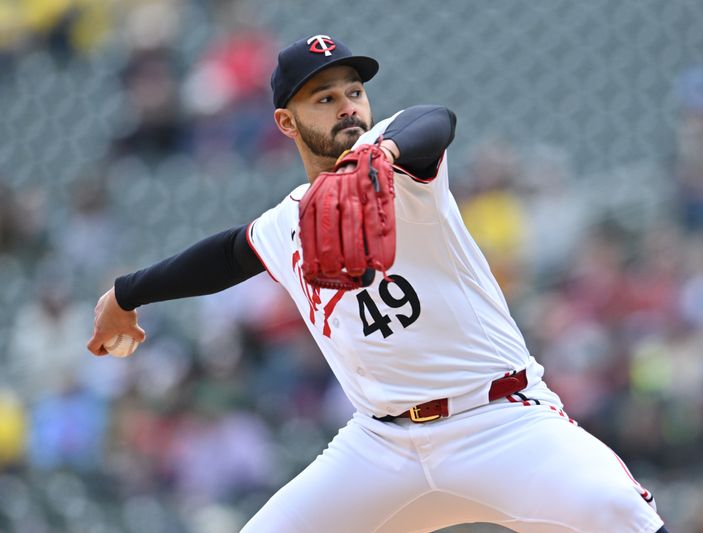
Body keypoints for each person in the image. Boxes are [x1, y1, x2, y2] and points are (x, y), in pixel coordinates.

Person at [88, 34, 668, 533]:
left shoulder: (397, 159)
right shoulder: (285, 223)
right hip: (382, 446)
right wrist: (125, 294)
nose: (347, 106)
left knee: (617, 511)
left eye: (354, 92)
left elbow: (434, 119)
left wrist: (385, 151)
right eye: (325, 97)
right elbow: (220, 257)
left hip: (500, 420)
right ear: (287, 123)